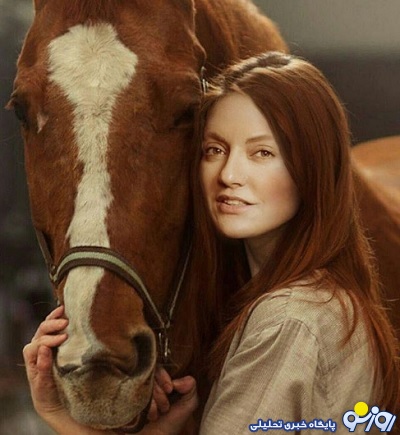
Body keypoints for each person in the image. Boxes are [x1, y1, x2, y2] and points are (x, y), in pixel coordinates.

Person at [23, 51, 399, 434]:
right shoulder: (321, 300)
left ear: (314, 167)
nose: (229, 174)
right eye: (214, 150)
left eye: (262, 152)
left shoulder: (289, 320)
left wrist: (58, 416)